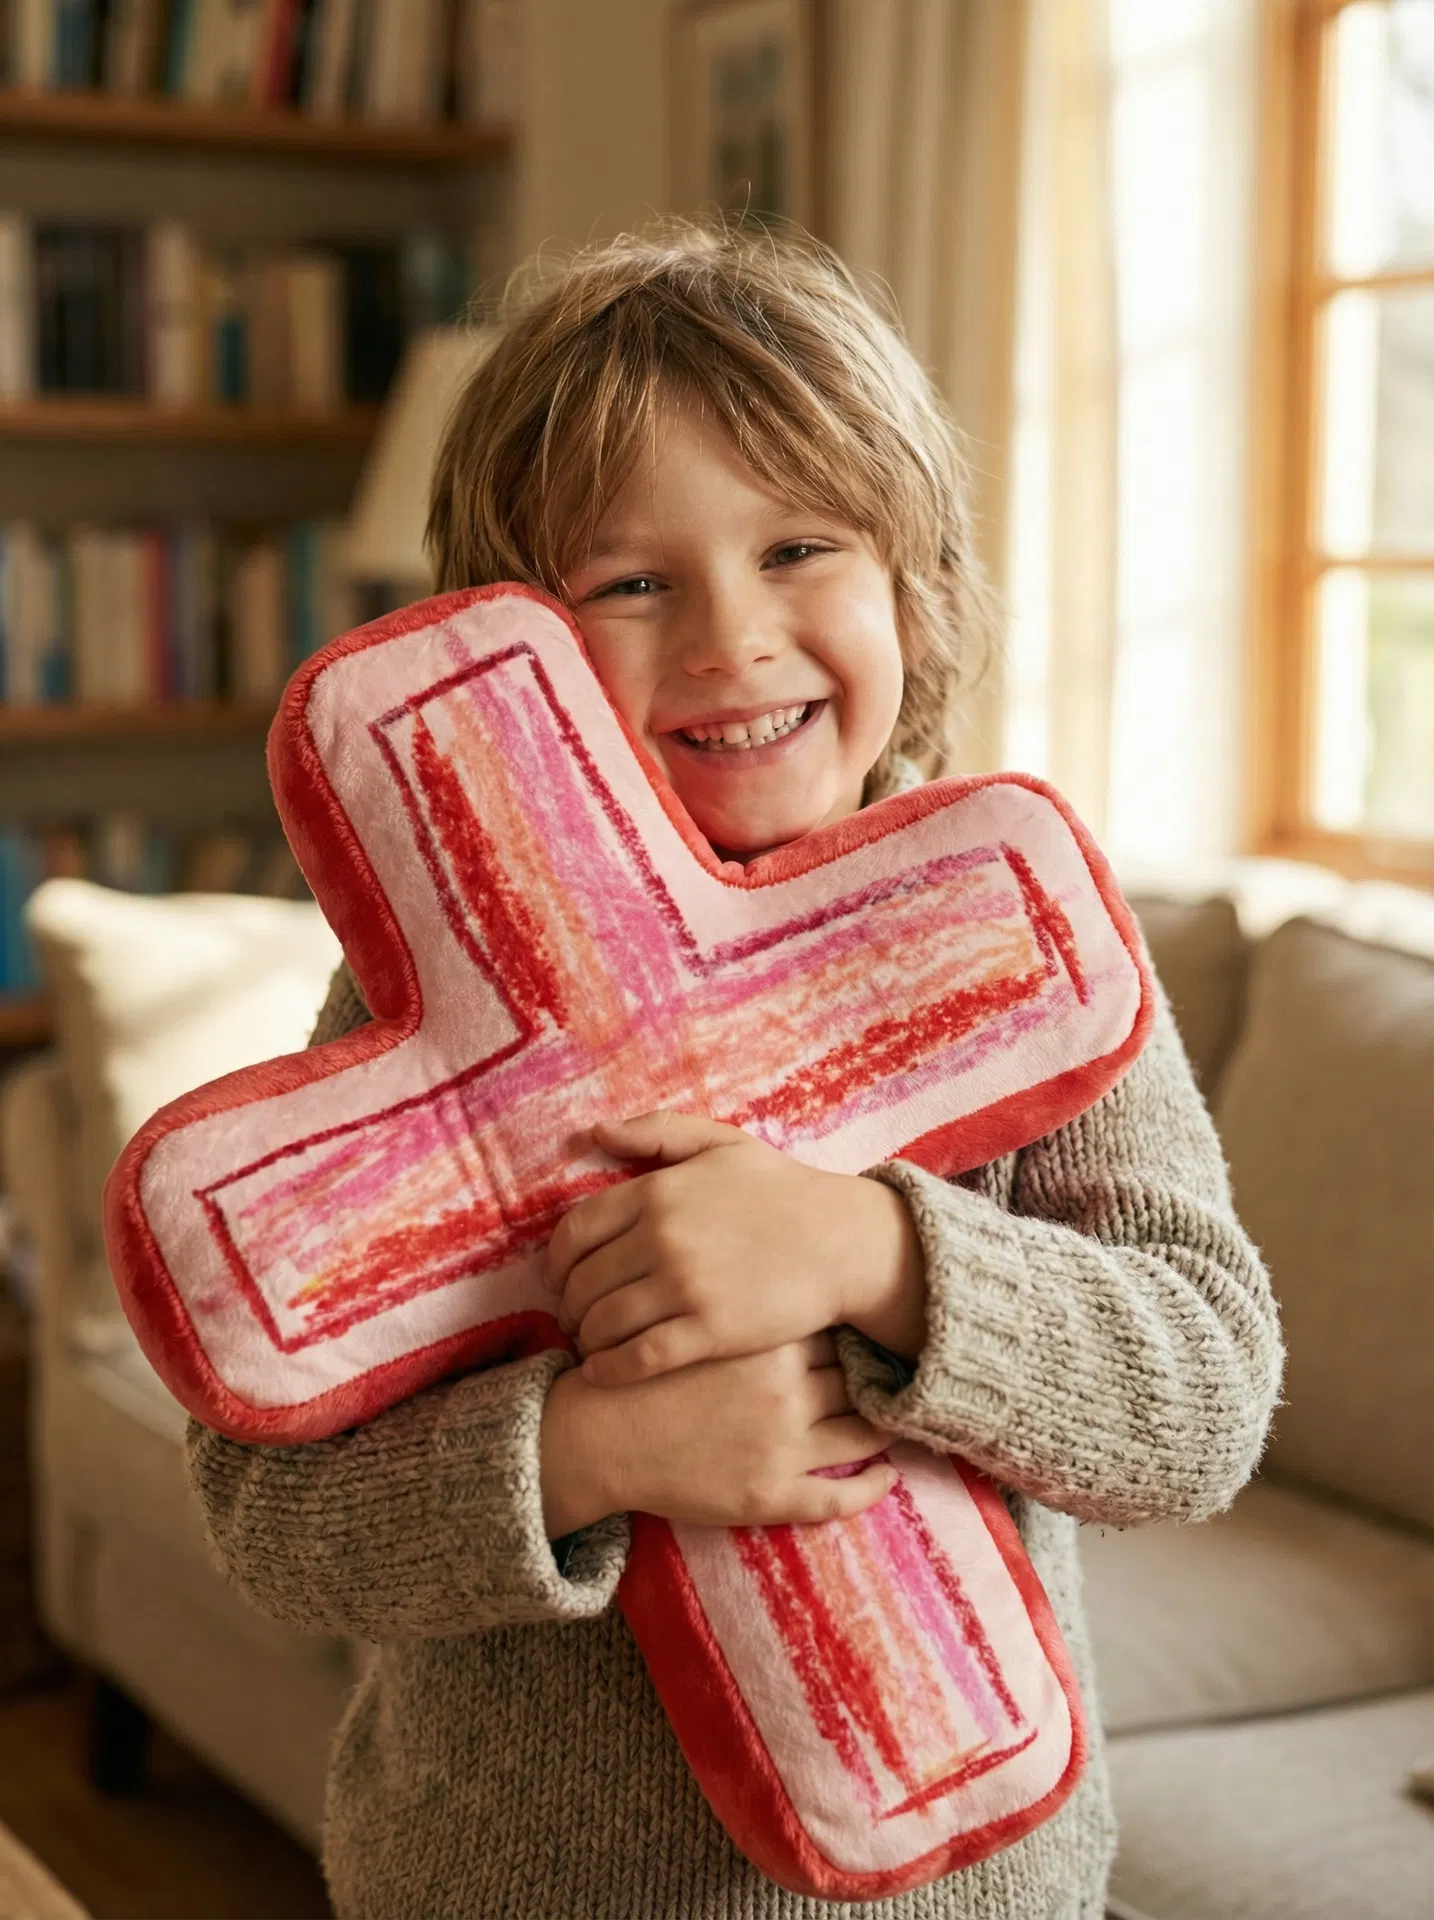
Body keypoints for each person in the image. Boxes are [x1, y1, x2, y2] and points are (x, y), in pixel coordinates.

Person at [186, 217, 1283, 1920]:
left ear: (916, 586)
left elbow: (1201, 1401)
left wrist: (880, 1256)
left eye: (799, 546)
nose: (729, 637)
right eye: (629, 581)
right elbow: (272, 1513)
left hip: (967, 1891)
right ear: (506, 655)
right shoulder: (426, 1006)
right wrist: (587, 1453)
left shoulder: (1021, 953)